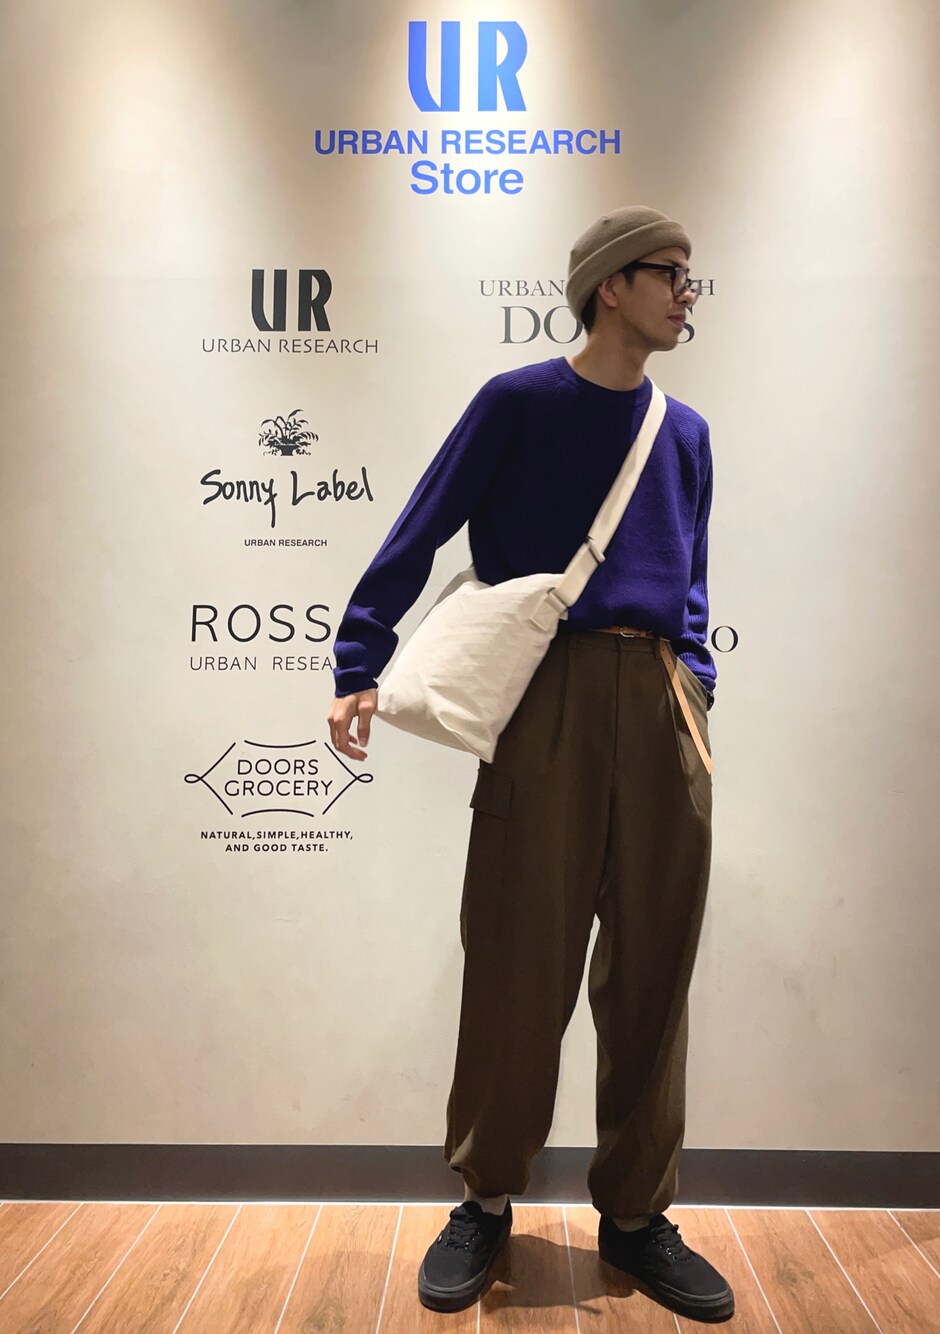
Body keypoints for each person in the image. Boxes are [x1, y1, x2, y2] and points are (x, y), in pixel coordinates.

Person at [327, 205, 735, 1324]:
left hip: (659, 699)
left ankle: (637, 1213)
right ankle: (486, 1197)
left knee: (653, 963)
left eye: (690, 277)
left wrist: (694, 679)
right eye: (670, 273)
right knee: (517, 952)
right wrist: (359, 656)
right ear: (611, 285)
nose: (686, 293)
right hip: (546, 692)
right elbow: (423, 522)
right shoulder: (518, 402)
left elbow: (694, 569)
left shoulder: (686, 432)